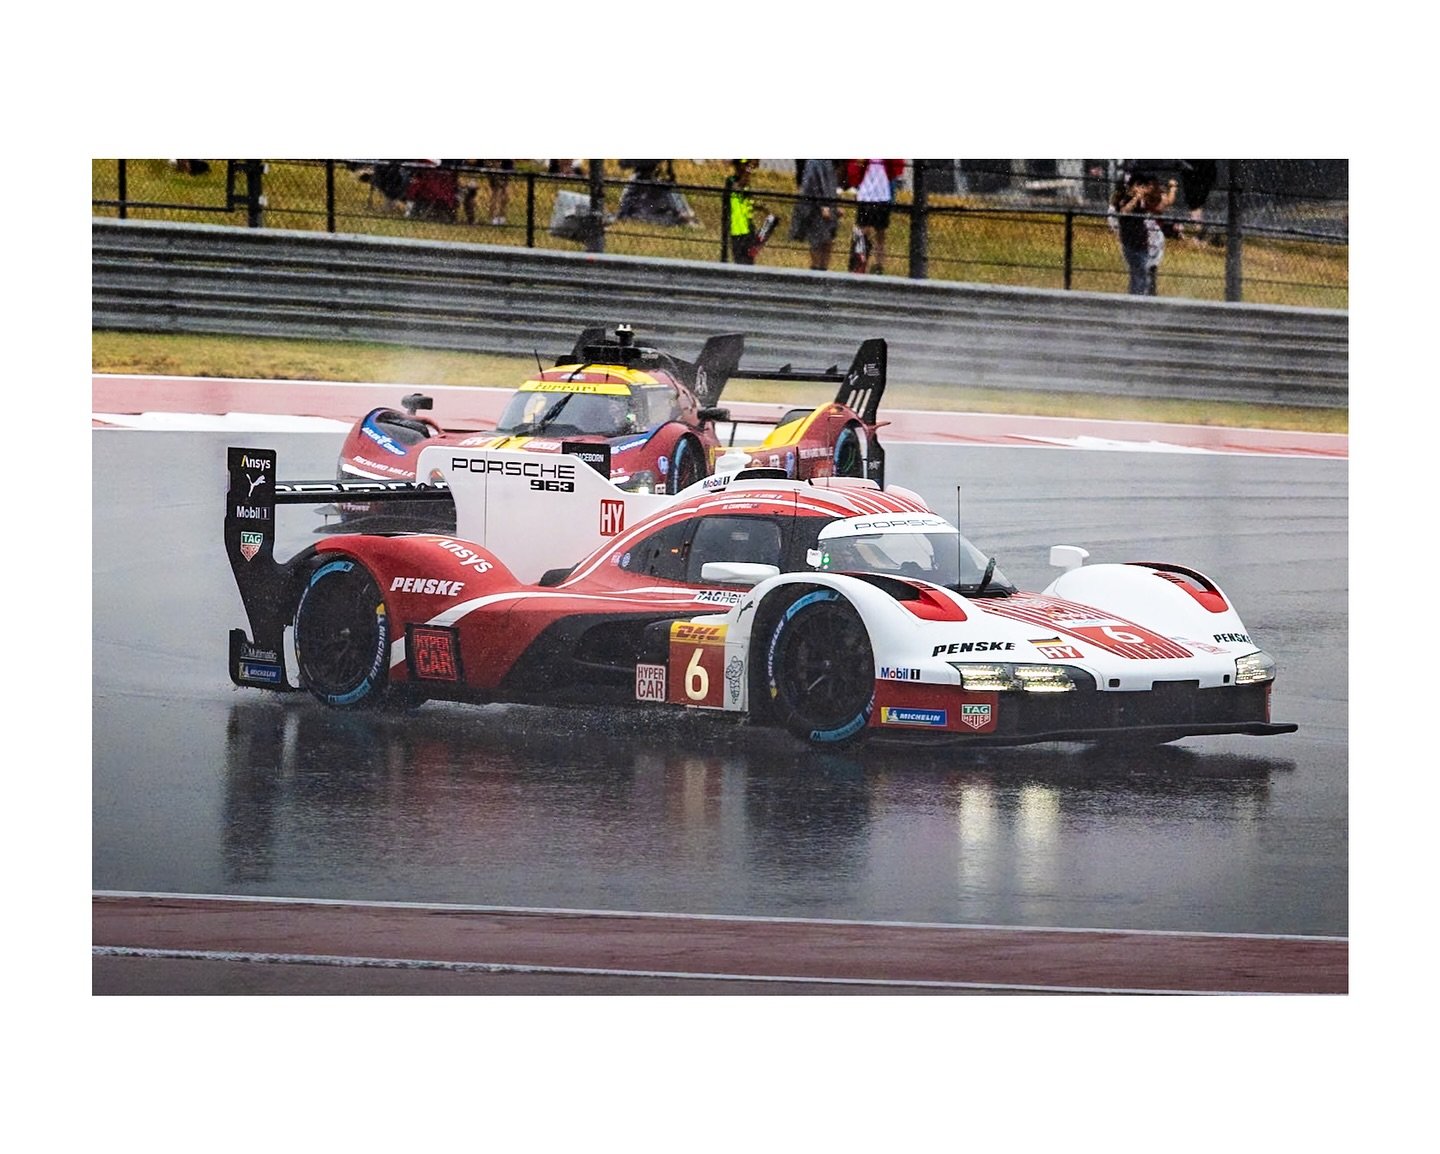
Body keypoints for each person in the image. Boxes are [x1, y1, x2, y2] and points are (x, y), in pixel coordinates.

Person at [1109, 168, 1176, 295]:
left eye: (1143, 186)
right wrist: (1136, 198)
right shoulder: (1126, 197)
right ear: (1132, 186)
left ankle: (1140, 297)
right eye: (1138, 185)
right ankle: (1137, 299)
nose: (1141, 189)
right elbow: (1124, 212)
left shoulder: (1144, 199)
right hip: (1131, 242)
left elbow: (1163, 204)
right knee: (1140, 275)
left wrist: (1172, 189)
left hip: (1143, 241)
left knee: (1142, 274)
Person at [845, 159, 905, 273]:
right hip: (866, 193)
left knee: (880, 234)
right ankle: (859, 264)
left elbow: (897, 166)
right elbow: (855, 166)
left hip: (882, 193)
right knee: (863, 230)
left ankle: (878, 266)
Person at [789, 158, 840, 270]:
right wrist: (822, 205)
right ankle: (815, 270)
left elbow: (830, 185)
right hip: (815, 207)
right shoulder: (814, 162)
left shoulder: (828, 162)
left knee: (828, 240)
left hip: (828, 203)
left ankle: (823, 269)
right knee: (817, 240)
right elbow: (813, 185)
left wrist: (836, 205)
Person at [725, 159, 776, 265]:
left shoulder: (746, 185)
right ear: (737, 166)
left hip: (748, 230)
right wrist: (750, 168)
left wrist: (762, 208)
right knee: (742, 261)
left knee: (749, 258)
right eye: (744, 165)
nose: (745, 168)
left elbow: (748, 202)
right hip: (738, 231)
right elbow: (738, 187)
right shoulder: (731, 181)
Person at [1177, 159, 1219, 245]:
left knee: (1196, 203)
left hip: (1200, 171)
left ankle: (1201, 235)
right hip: (1195, 170)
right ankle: (1201, 234)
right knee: (1195, 203)